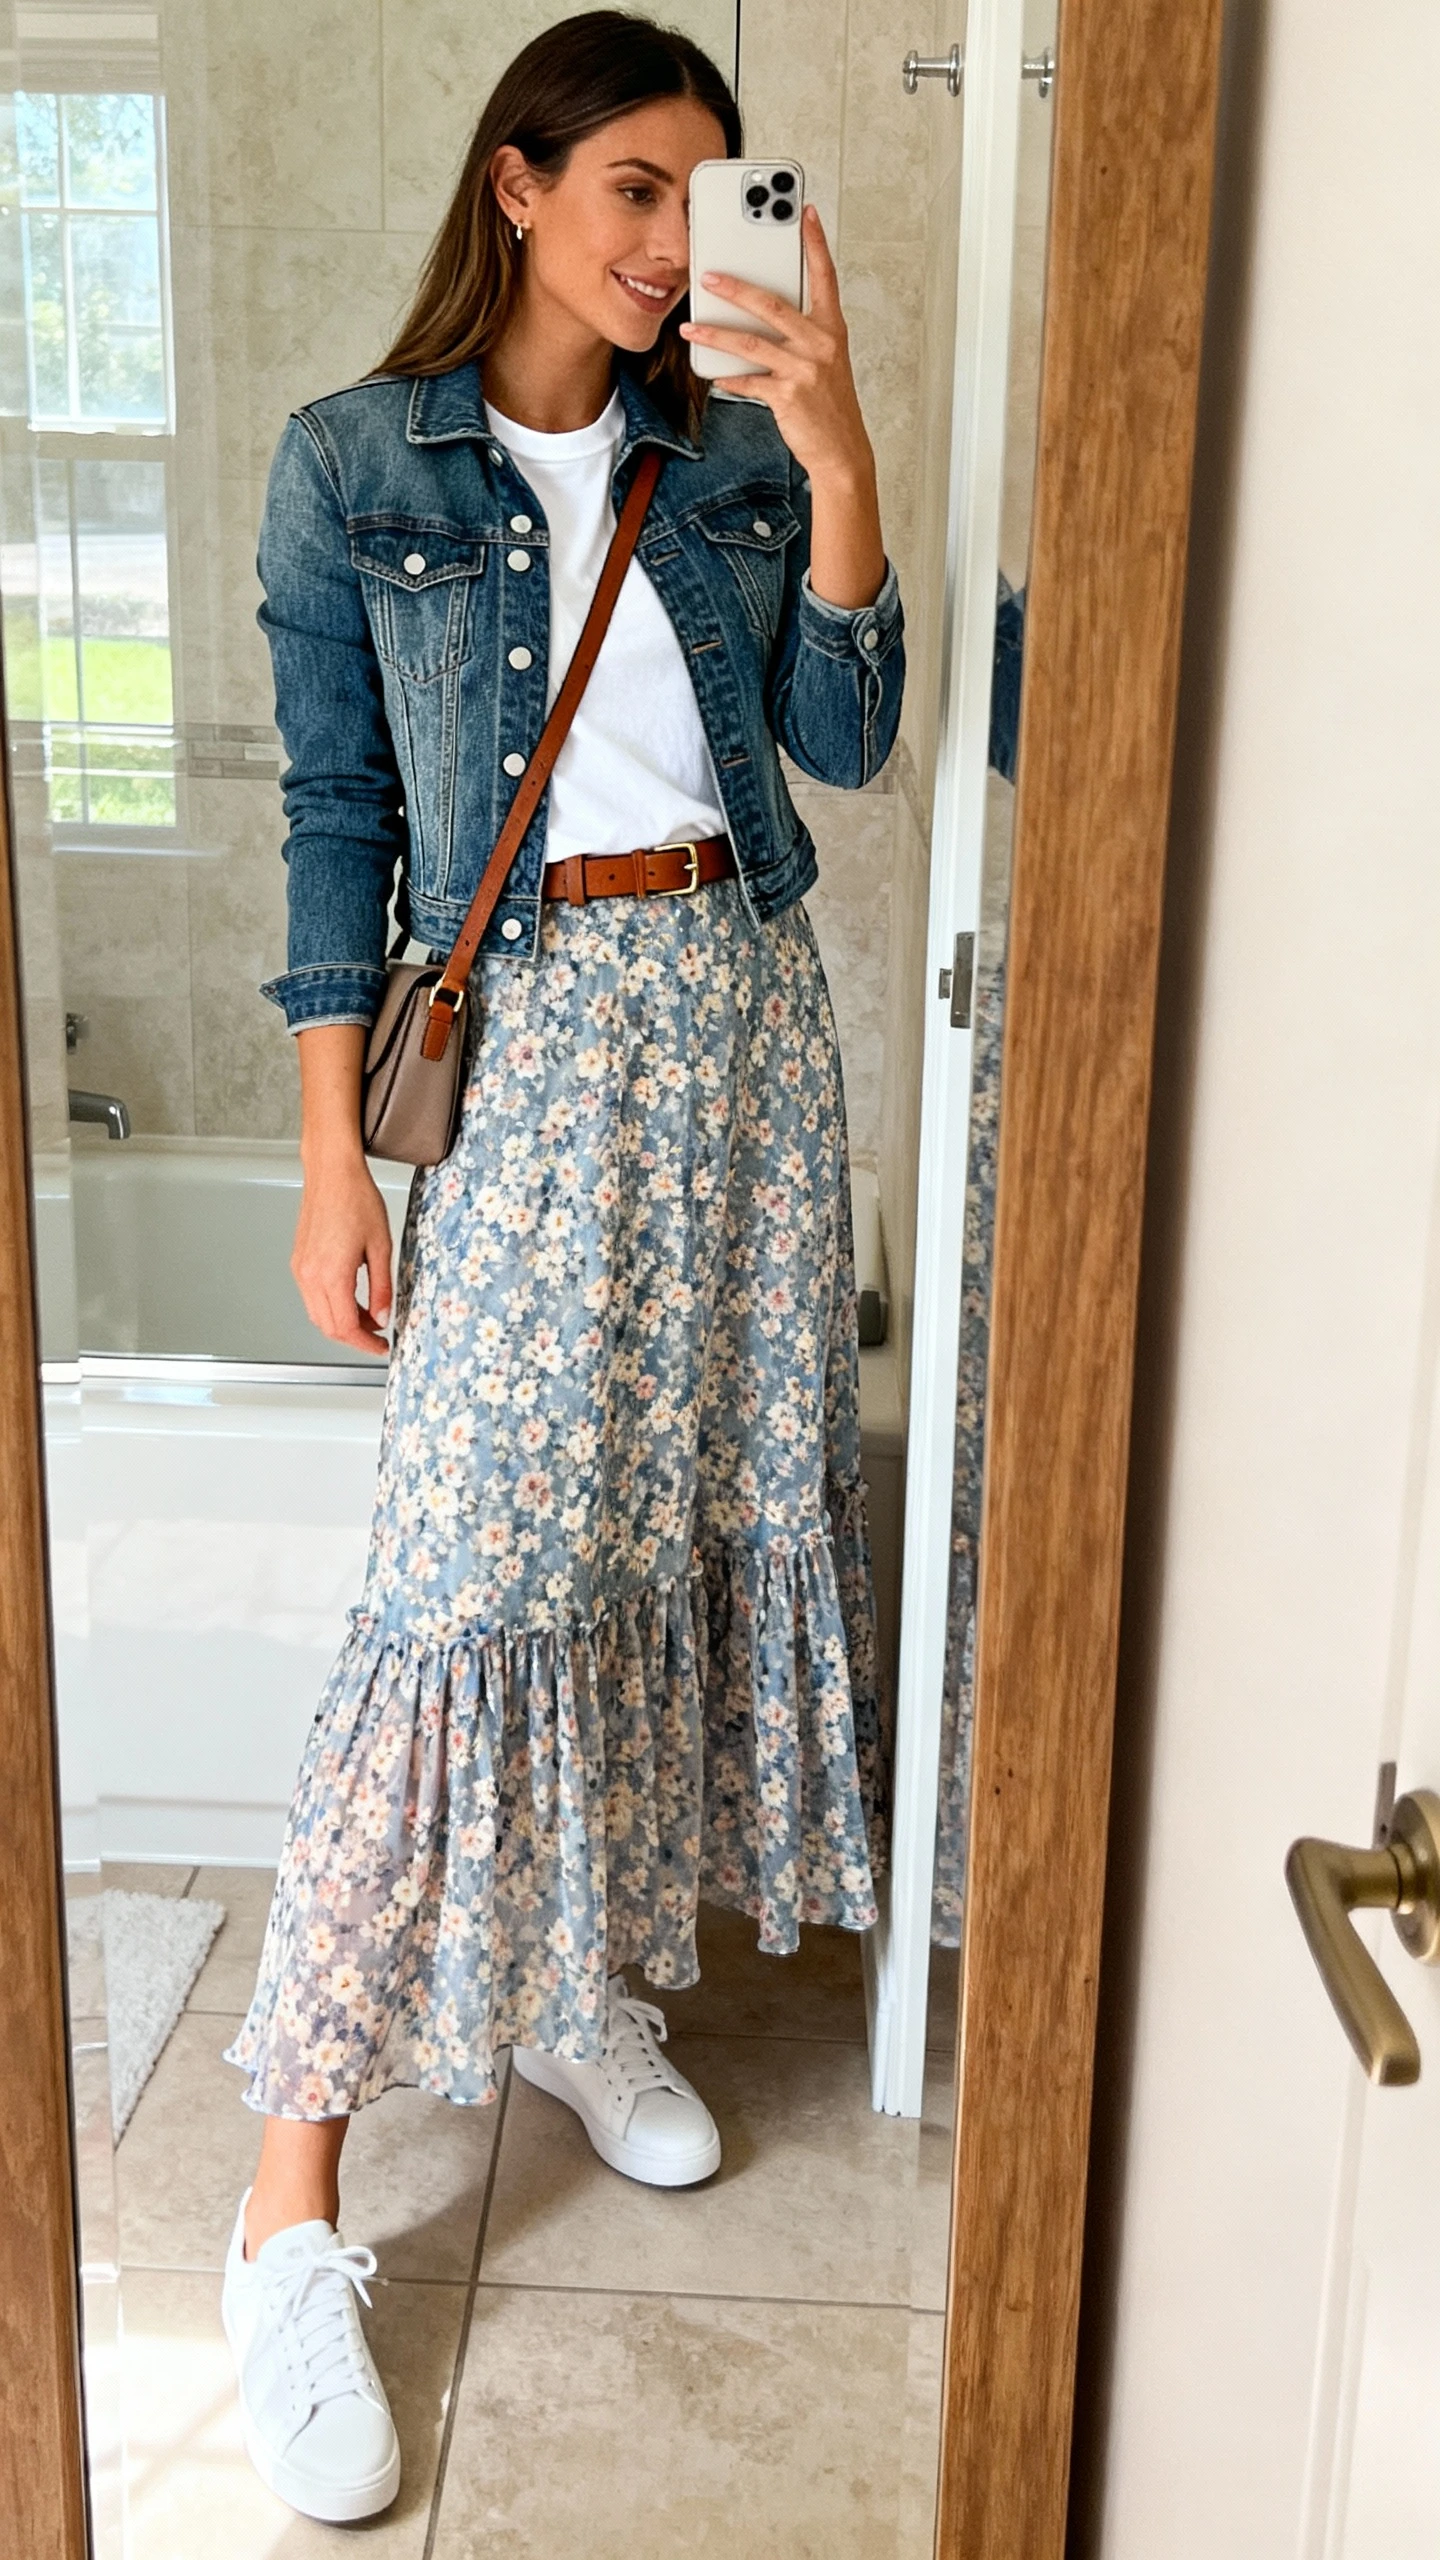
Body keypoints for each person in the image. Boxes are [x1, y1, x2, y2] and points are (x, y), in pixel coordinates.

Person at [219, 9, 904, 2522]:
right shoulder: (351, 464)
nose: (665, 246)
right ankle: (289, 2215)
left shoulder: (726, 452)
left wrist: (834, 454)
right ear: (516, 187)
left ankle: (580, 1982)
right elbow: (331, 831)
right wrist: (332, 1162)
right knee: (464, 1585)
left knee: (665, 1542)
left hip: (740, 1029)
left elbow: (849, 728)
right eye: (630, 189)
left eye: (704, 200)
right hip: (517, 1060)